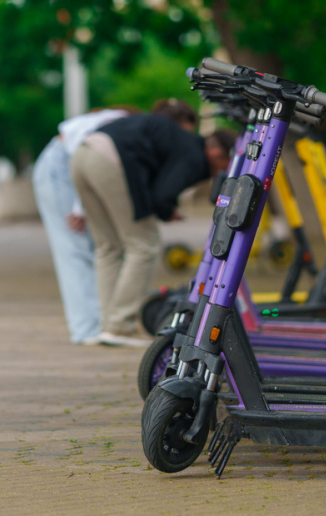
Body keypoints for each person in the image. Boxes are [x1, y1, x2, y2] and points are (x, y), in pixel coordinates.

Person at [72, 113, 235, 345]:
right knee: (144, 245)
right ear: (217, 154)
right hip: (110, 160)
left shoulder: (183, 141)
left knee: (108, 247)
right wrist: (168, 211)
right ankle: (120, 325)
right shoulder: (194, 155)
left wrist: (163, 206)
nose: (227, 173)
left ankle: (108, 325)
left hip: (82, 154)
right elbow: (162, 196)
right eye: (229, 166)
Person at [32, 107, 132, 345]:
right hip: (60, 166)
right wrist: (79, 207)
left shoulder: (119, 120)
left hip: (65, 166)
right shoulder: (118, 121)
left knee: (88, 247)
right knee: (74, 248)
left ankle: (96, 323)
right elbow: (82, 150)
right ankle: (87, 328)